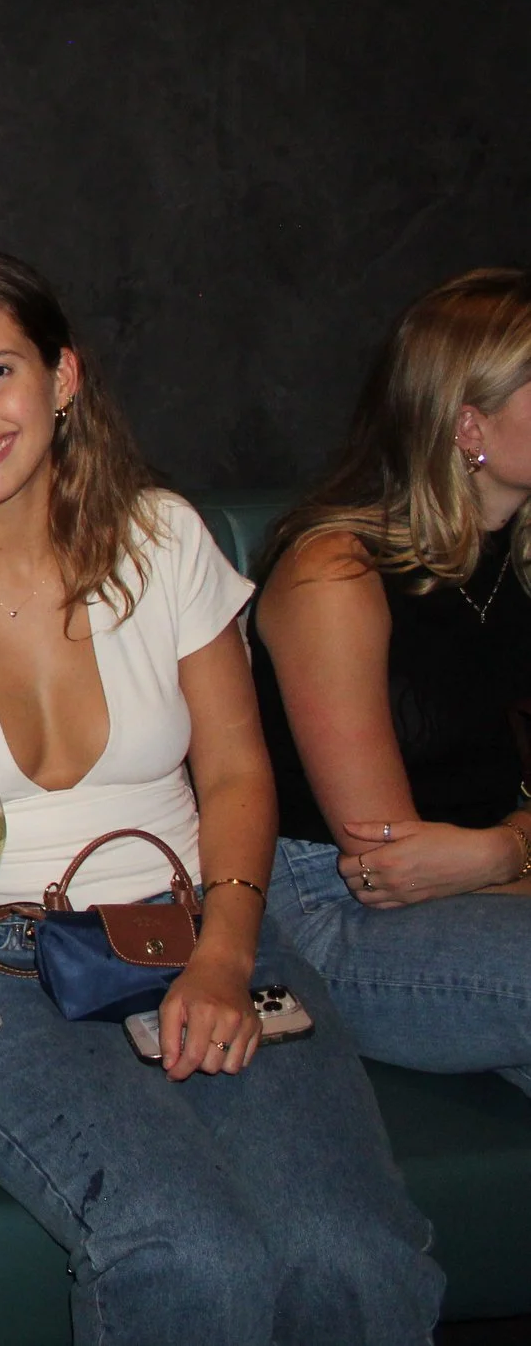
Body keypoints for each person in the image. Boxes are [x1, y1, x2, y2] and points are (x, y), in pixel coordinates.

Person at [0, 250, 442, 1345]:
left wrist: (222, 955)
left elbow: (238, 772)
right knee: (190, 1252)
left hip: (196, 921)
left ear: (64, 377)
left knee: (356, 1250)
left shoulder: (162, 537)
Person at [251, 267, 531, 1088]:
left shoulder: (518, 560)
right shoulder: (335, 573)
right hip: (327, 917)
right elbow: (391, 867)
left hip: (488, 892)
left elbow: (472, 856)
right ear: (468, 423)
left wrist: (497, 851)